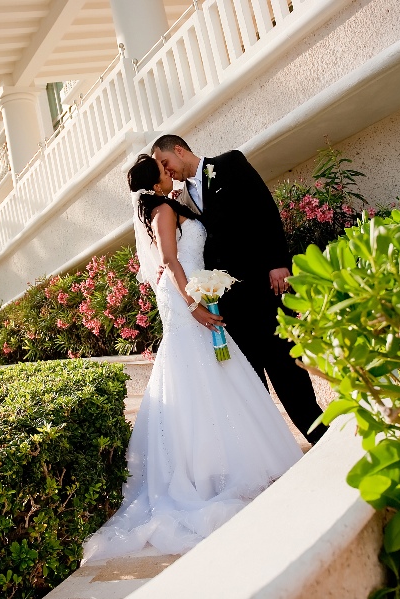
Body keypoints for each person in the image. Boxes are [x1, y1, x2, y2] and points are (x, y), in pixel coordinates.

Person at [80, 154, 303, 563]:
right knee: (197, 372)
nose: (171, 174)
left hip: (195, 290)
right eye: (164, 171)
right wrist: (193, 303)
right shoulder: (163, 209)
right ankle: (206, 472)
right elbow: (169, 260)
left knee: (214, 372)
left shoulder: (169, 204)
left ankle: (222, 462)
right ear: (156, 178)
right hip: (185, 299)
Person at [152, 134, 326, 445]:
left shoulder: (230, 163)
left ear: (179, 151)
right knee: (250, 382)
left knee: (286, 370)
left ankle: (322, 437)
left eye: (166, 163)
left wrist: (277, 262)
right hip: (228, 304)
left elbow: (265, 211)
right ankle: (273, 451)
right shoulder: (180, 201)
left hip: (262, 288)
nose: (167, 172)